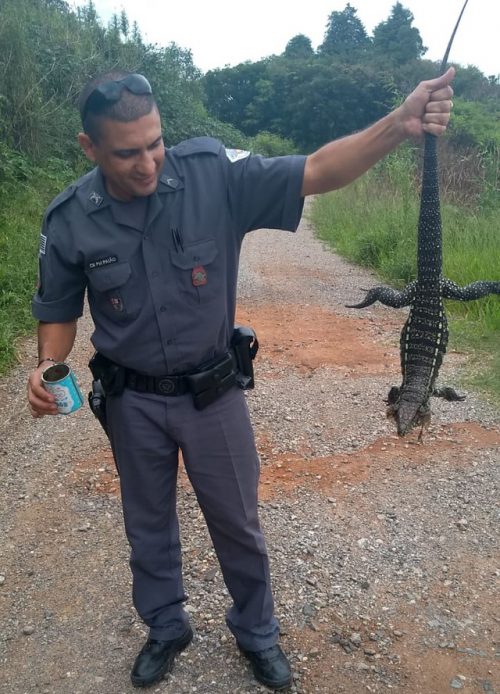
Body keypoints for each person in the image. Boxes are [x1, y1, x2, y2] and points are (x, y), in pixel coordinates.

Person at [27, 68, 454, 690]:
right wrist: (46, 364)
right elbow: (59, 310)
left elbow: (317, 170)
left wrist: (399, 125)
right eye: (127, 153)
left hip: (213, 395)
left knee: (238, 522)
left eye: (154, 143)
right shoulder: (70, 219)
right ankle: (166, 627)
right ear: (89, 148)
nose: (147, 163)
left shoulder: (212, 174)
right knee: (146, 524)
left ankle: (257, 633)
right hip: (130, 401)